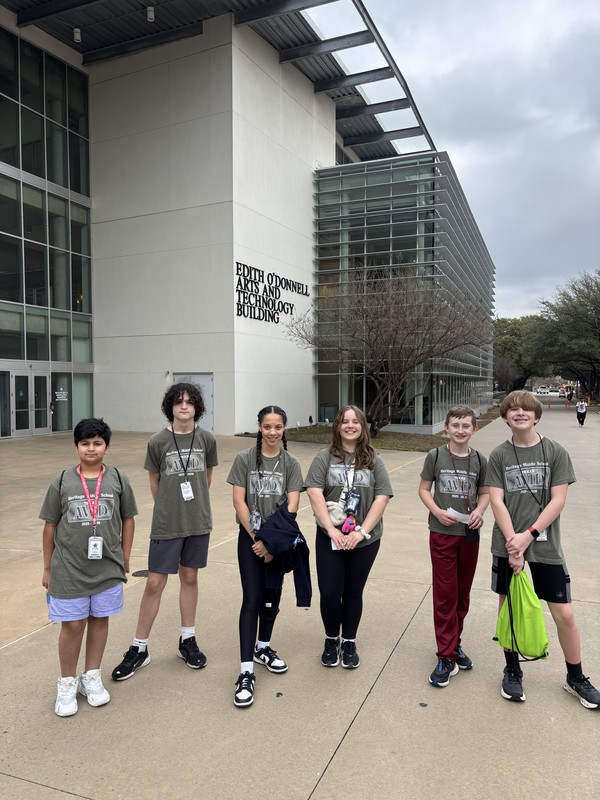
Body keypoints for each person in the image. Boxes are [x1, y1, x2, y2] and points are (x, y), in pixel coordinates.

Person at [487, 390, 600, 709]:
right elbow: (497, 500)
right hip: (508, 547)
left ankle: (575, 676)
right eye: (512, 409)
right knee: (509, 608)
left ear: (536, 416)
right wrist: (513, 542)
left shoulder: (555, 451)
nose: (519, 413)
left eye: (526, 409)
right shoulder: (499, 455)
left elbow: (558, 500)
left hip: (545, 546)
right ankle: (512, 670)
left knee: (563, 612)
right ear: (505, 417)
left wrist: (528, 536)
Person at [112, 382, 218, 681]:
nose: (184, 407)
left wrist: (191, 507)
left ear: (197, 407)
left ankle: (187, 639)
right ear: (170, 407)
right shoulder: (158, 441)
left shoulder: (206, 439)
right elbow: (155, 482)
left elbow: (206, 479)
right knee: (155, 582)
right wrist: (171, 509)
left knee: (190, 576)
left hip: (197, 521)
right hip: (167, 523)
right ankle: (139, 648)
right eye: (178, 402)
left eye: (189, 402)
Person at [40, 419, 138, 716]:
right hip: (69, 567)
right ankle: (67, 683)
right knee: (72, 625)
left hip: (107, 566)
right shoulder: (62, 481)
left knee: (99, 619)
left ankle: (91, 677)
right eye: (85, 443)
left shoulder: (118, 479)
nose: (91, 448)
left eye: (97, 443)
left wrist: (125, 556)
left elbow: (128, 519)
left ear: (107, 447)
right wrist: (47, 567)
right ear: (76, 446)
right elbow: (50, 526)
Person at [226, 405, 305, 708]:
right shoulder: (245, 459)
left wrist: (272, 543)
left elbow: (293, 506)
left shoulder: (291, 463)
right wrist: (257, 539)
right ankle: (246, 671)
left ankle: (264, 647)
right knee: (252, 599)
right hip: (250, 540)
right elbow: (238, 500)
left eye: (278, 427)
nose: (273, 432)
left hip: (280, 541)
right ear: (259, 427)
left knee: (272, 597)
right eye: (267, 427)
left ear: (284, 429)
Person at [305, 405, 393, 669]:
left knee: (353, 591)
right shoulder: (324, 457)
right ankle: (332, 638)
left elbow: (382, 496)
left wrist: (362, 531)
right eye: (345, 421)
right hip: (329, 536)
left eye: (356, 421)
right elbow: (314, 491)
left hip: (364, 539)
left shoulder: (374, 459)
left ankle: (349, 642)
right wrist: (331, 530)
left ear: (363, 426)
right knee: (330, 592)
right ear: (338, 426)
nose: (350, 425)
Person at [418, 405, 489, 687]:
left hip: (469, 535)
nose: (460, 431)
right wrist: (436, 511)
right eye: (455, 425)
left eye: (466, 426)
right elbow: (424, 489)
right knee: (446, 595)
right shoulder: (435, 456)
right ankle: (445, 655)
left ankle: (455, 643)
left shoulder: (480, 460)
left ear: (474, 429)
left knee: (462, 595)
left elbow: (483, 493)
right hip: (442, 533)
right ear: (446, 428)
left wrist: (480, 511)